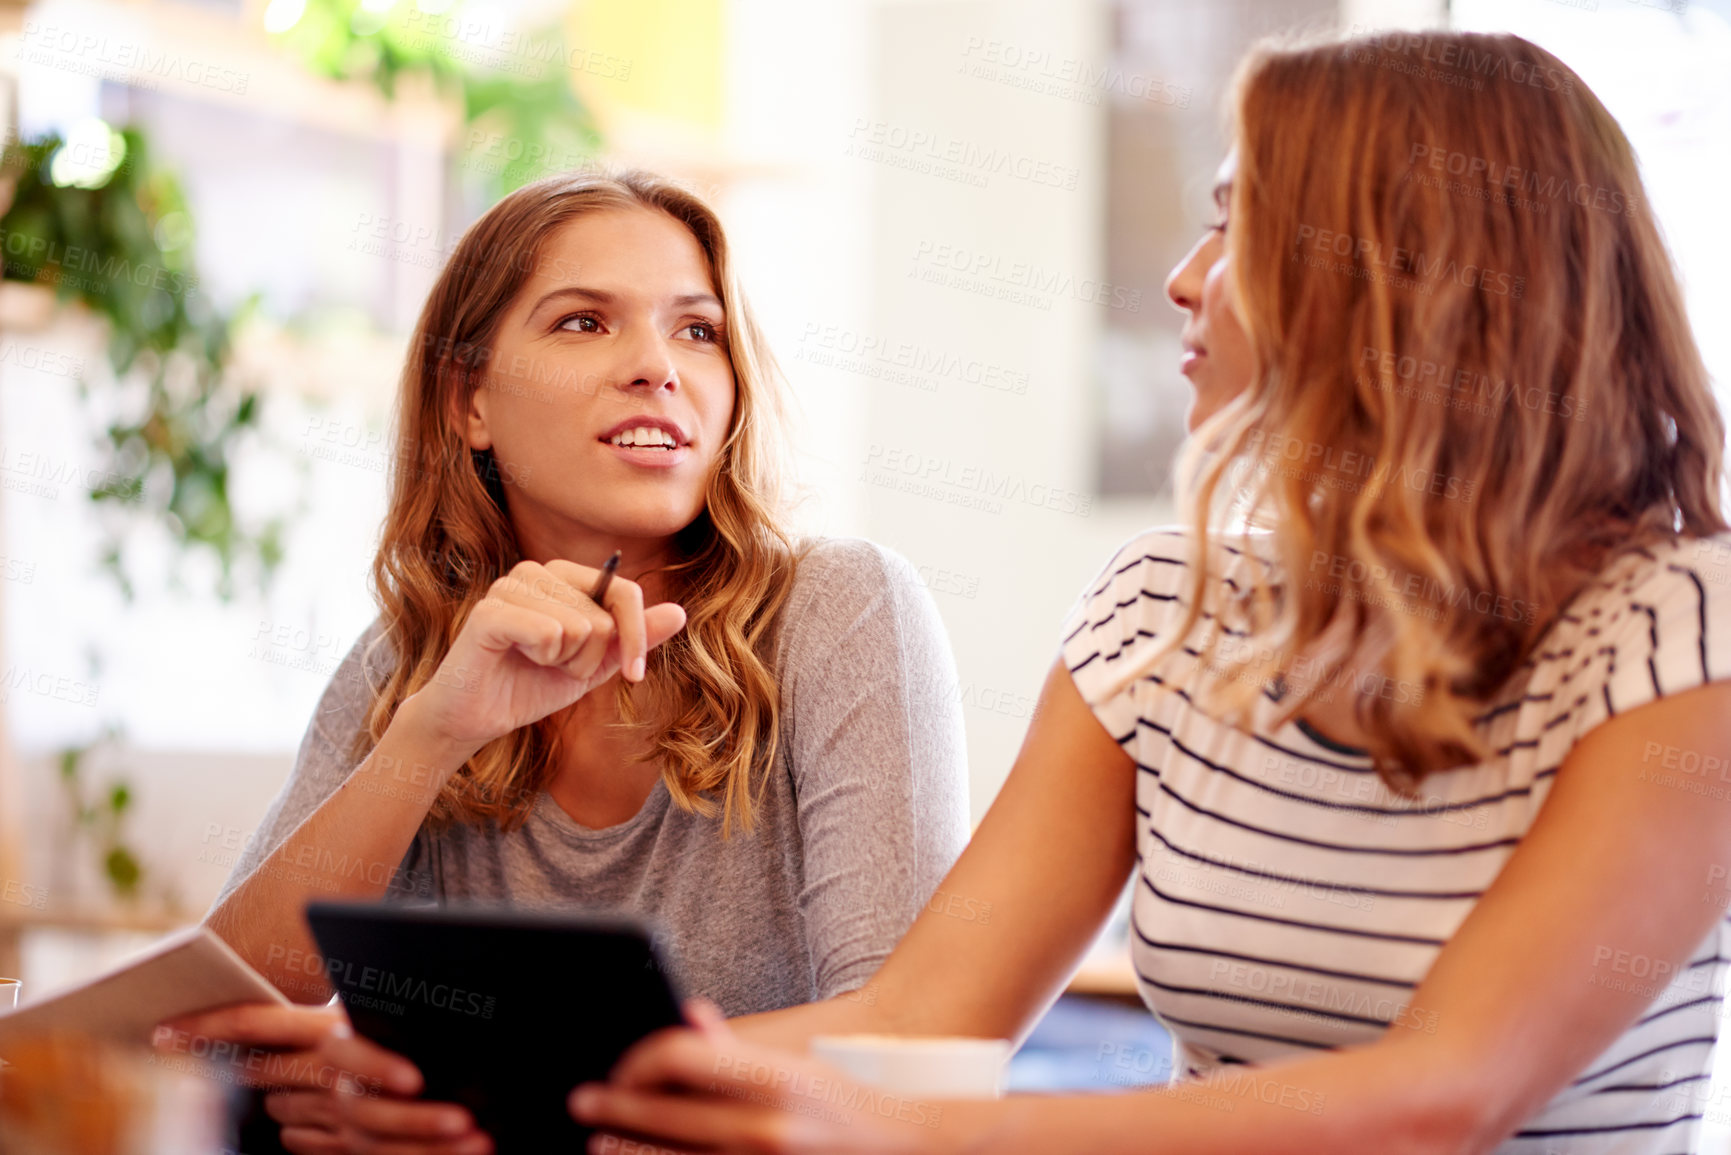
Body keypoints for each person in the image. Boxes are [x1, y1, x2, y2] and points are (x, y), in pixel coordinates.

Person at [562, 30, 1731, 1154]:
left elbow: (1438, 1101)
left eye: (1235, 227)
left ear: (1402, 276)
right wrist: (511, 1085)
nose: (1182, 280)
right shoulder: (1160, 610)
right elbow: (918, 1020)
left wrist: (922, 1133)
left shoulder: (1682, 632)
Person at [176, 167, 971, 1154]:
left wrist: (463, 1081)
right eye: (583, 323)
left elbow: (905, 1036)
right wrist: (429, 736)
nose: (657, 366)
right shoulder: (406, 657)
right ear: (469, 402)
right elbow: (221, 1020)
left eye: (697, 329)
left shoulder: (839, 611)